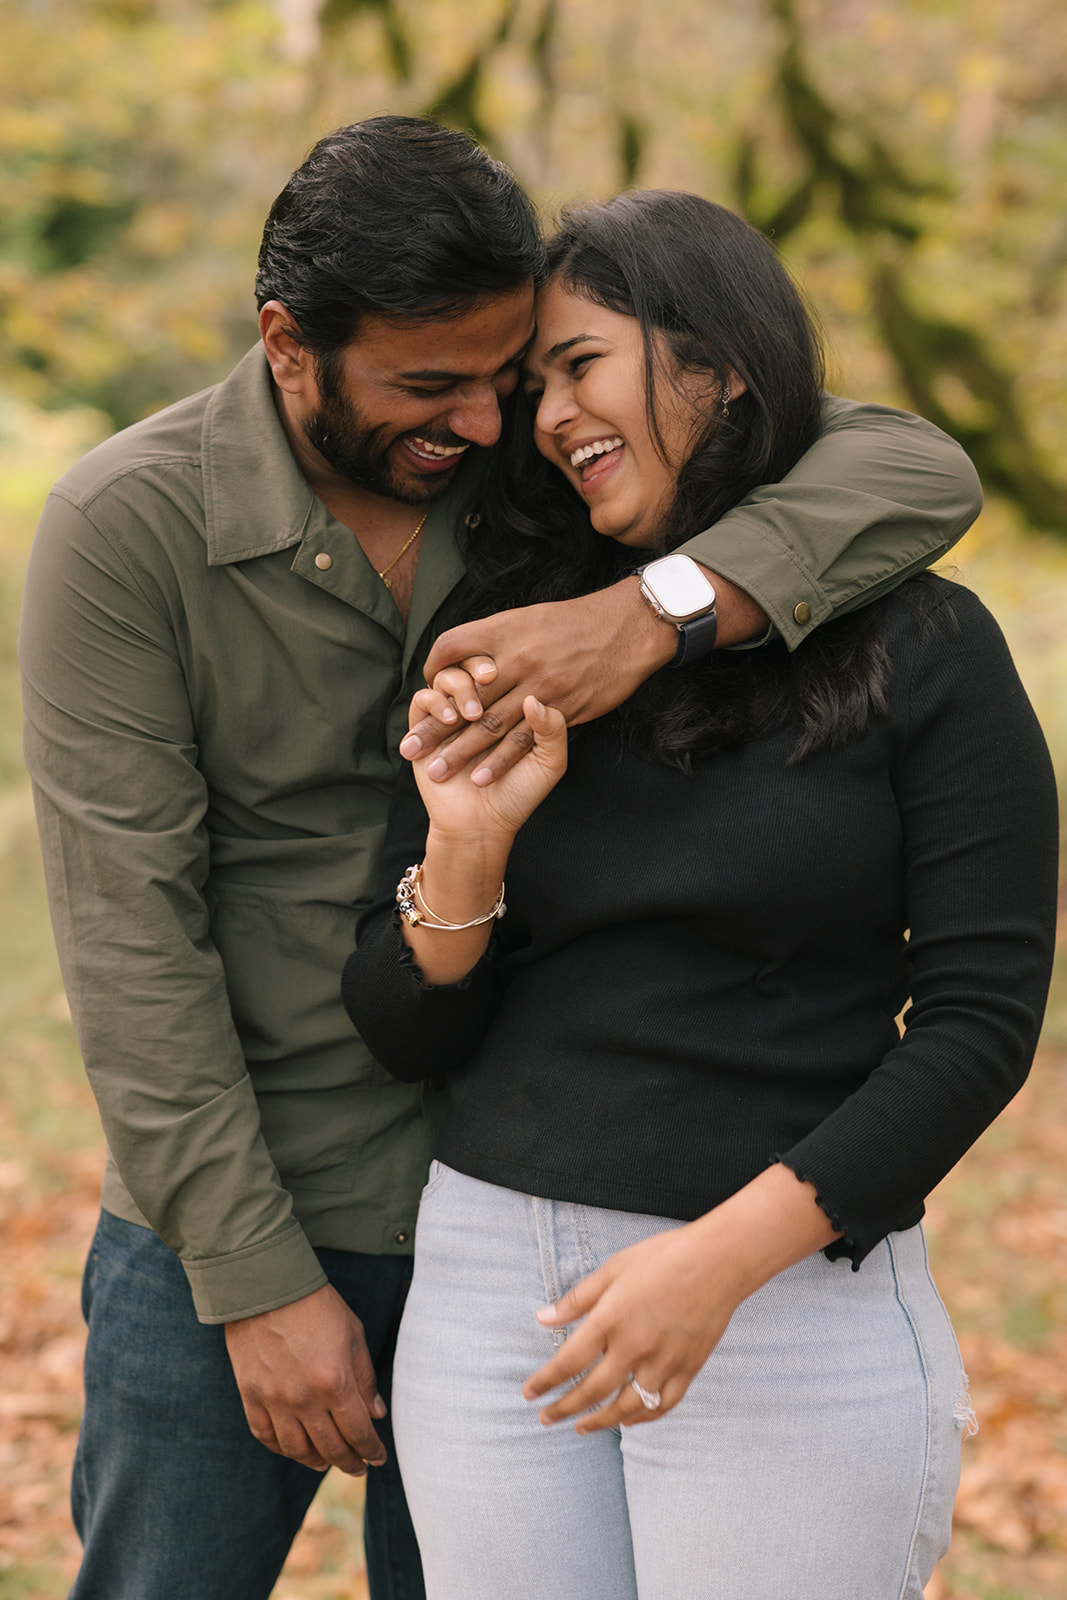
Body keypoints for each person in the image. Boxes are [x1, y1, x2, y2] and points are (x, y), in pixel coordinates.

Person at [18, 114, 982, 1600]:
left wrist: (643, 613)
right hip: (247, 1207)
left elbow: (909, 467)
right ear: (289, 344)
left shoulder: (533, 484)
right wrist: (260, 1282)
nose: (478, 420)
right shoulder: (127, 530)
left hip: (504, 1212)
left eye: (509, 373)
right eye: (430, 384)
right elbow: (130, 948)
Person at [343, 190, 1058, 1600]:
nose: (545, 415)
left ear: (718, 363)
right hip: (494, 1299)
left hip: (785, 1301)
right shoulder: (515, 628)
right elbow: (403, 1023)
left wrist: (722, 1261)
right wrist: (469, 853)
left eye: (579, 363)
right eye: (527, 386)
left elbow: (980, 1026)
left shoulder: (928, 643)